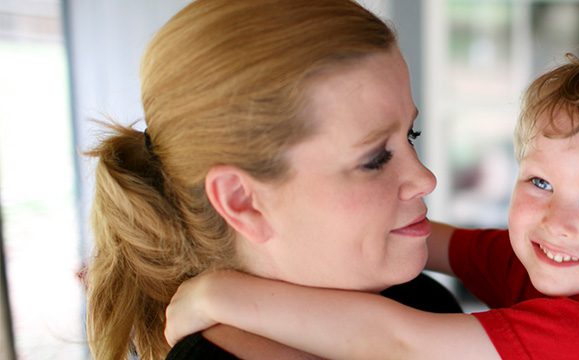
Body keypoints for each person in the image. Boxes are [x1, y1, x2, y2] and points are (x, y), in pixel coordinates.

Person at [164, 46, 579, 359]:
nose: (557, 221)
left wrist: (221, 293)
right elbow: (432, 240)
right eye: (541, 183)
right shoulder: (547, 259)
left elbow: (399, 342)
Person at [82, 1, 462, 359]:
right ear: (242, 202)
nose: (424, 178)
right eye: (375, 159)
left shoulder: (424, 305)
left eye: (411, 135)